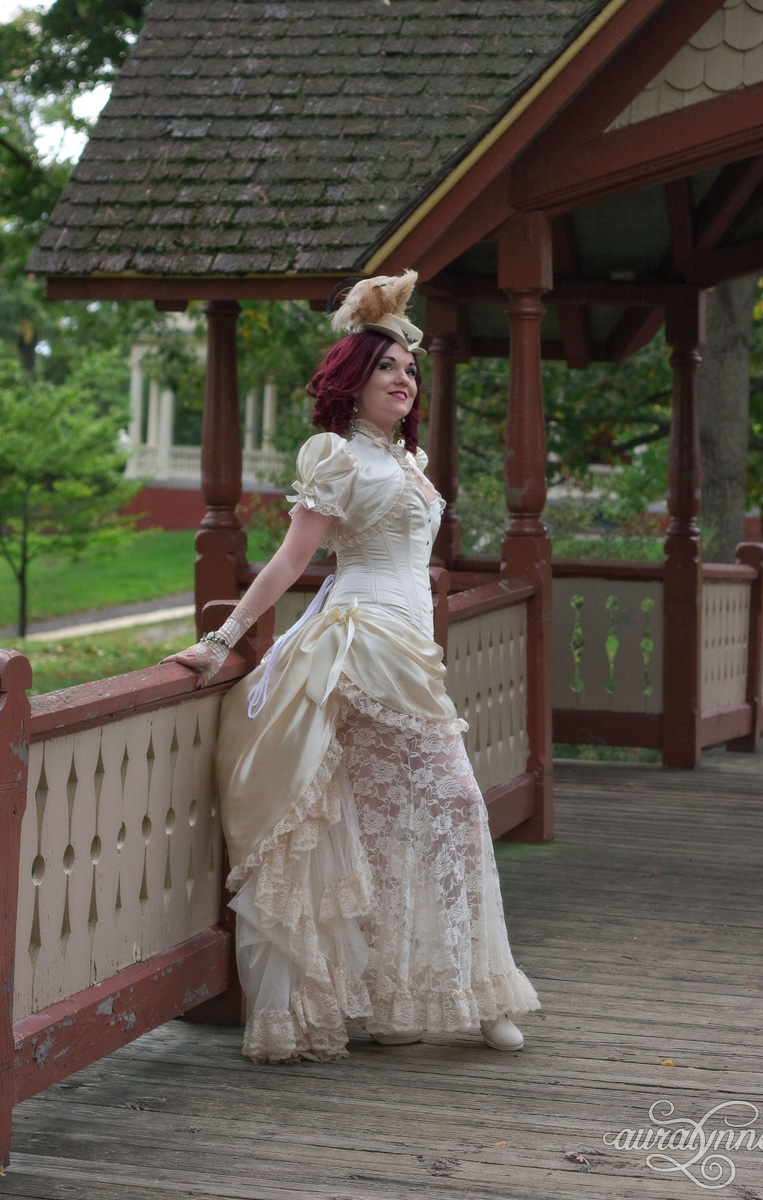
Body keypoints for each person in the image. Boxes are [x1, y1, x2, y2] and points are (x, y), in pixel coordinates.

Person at [164, 270, 540, 1063]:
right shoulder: (338, 458)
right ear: (351, 381)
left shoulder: (409, 460)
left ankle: (393, 996)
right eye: (386, 369)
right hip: (362, 639)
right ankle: (479, 998)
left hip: (411, 644)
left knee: (377, 822)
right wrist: (226, 637)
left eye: (409, 370)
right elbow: (290, 558)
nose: (405, 380)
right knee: (457, 800)